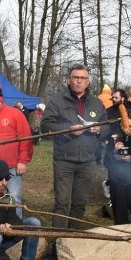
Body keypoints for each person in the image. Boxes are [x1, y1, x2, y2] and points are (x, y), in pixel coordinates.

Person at [40, 64, 107, 230]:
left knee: (80, 204)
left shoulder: (96, 103)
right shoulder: (57, 100)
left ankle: (73, 240)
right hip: (64, 160)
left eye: (82, 78)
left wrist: (99, 129)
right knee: (62, 203)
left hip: (88, 161)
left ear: (88, 81)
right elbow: (45, 125)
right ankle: (57, 241)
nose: (79, 81)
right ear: (69, 80)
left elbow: (108, 126)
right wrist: (67, 130)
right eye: (75, 77)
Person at [0, 81, 34, 217]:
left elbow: (25, 137)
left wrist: (23, 160)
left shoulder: (15, 114)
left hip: (12, 167)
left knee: (14, 199)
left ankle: (17, 232)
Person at [104, 89, 131, 231]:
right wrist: (114, 154)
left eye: (129, 126)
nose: (126, 129)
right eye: (123, 126)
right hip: (117, 180)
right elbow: (106, 161)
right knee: (120, 215)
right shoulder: (115, 138)